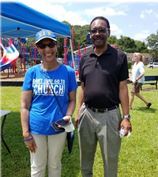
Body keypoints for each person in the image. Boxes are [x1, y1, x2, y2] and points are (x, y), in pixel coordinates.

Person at [75, 16, 132, 177]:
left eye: (101, 30)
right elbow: (83, 86)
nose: (97, 33)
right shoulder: (85, 58)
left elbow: (122, 87)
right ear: (90, 34)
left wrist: (126, 117)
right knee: (85, 163)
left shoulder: (119, 57)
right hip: (87, 114)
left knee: (110, 163)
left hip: (110, 116)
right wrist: (79, 111)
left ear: (108, 32)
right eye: (94, 31)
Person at [20, 29, 77, 177]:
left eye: (50, 44)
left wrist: (68, 115)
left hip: (58, 127)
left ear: (56, 46)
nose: (47, 49)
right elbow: (24, 106)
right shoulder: (32, 73)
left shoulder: (68, 72)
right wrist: (26, 133)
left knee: (55, 165)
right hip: (36, 128)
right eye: (42, 45)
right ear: (37, 48)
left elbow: (72, 100)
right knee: (37, 167)